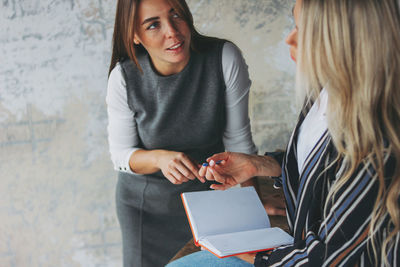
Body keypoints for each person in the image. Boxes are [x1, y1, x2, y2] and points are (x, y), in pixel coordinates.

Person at [167, 0, 400, 266]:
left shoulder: (377, 143)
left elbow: (327, 257)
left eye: (306, 30)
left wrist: (252, 255)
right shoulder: (323, 94)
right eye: (295, 24)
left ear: (347, 40)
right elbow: (323, 165)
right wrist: (260, 164)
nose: (290, 38)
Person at [106, 0, 258, 266]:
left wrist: (252, 209)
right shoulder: (123, 77)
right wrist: (159, 159)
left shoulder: (223, 57)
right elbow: (120, 155)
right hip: (146, 211)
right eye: (153, 25)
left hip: (211, 202)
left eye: (176, 15)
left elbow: (239, 143)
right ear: (134, 35)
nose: (173, 32)